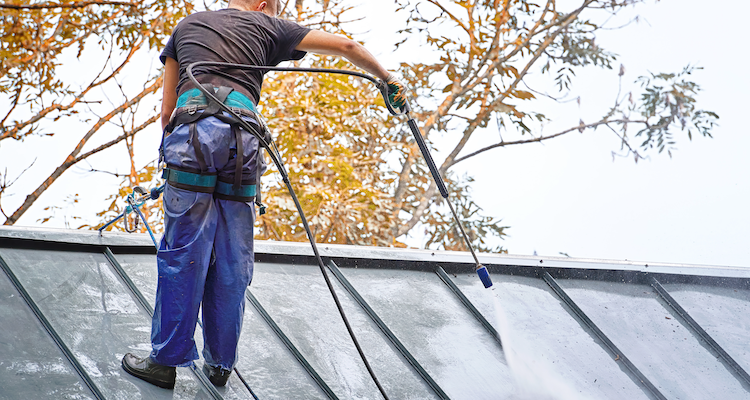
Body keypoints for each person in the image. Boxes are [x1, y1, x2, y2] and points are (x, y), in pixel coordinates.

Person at [121, 0, 406, 390]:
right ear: (263, 4)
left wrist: (177, 162)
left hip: (191, 138)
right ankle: (221, 365)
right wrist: (388, 80)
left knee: (183, 252)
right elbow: (348, 48)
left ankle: (164, 362)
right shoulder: (269, 25)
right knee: (233, 256)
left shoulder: (186, 26)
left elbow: (167, 111)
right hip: (242, 142)